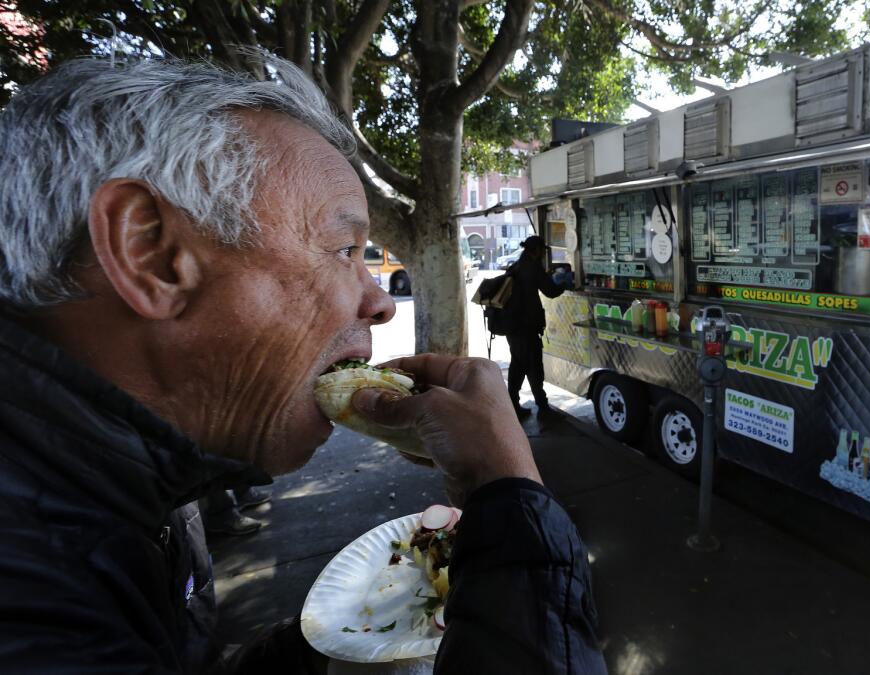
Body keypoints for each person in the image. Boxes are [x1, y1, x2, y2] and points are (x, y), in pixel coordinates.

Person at [0, 54, 605, 674]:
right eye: (344, 248)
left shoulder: (132, 490)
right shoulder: (31, 601)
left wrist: (332, 648)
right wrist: (510, 499)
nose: (378, 303)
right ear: (149, 253)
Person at [504, 235, 565, 417]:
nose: (543, 254)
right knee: (531, 367)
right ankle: (540, 407)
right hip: (526, 328)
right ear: (536, 250)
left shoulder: (516, 265)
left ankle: (516, 405)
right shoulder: (532, 267)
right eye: (542, 250)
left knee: (520, 364)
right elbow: (551, 291)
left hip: (513, 327)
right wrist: (565, 283)